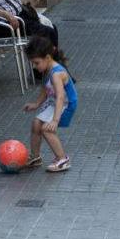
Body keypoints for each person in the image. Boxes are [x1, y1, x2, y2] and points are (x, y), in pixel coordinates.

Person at [21, 37, 77, 173]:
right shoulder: (47, 69)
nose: (34, 66)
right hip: (54, 101)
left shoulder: (57, 73)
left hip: (65, 103)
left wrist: (55, 120)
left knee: (47, 128)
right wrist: (36, 104)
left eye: (36, 63)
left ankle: (63, 159)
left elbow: (61, 96)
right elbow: (45, 89)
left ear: (47, 57)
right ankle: (35, 157)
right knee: (36, 123)